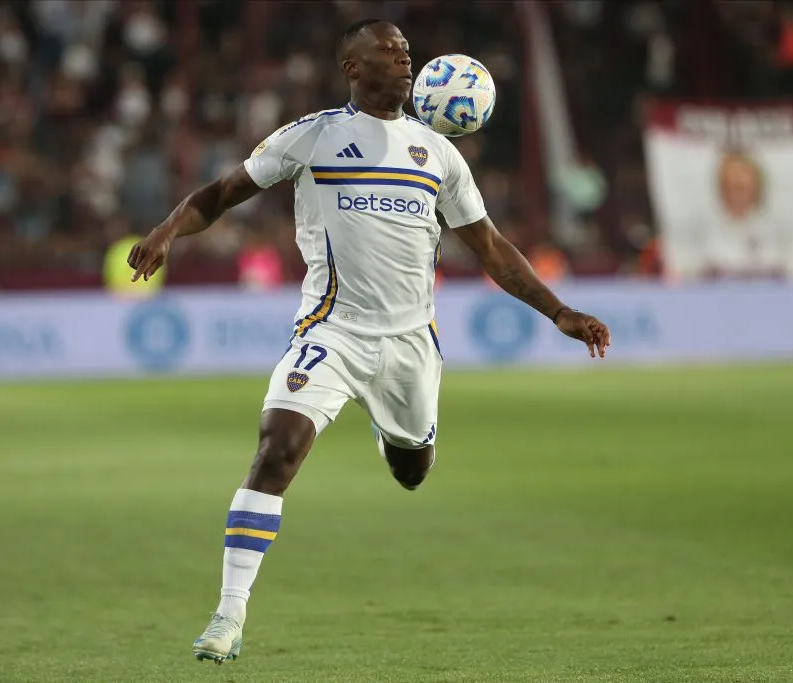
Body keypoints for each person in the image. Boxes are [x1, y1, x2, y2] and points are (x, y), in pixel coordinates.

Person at [127, 19, 612, 665]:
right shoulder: (314, 135)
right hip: (332, 333)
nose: (404, 58)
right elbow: (221, 193)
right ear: (352, 67)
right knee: (277, 447)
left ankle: (399, 435)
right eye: (387, 50)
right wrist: (165, 230)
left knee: (412, 469)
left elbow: (490, 246)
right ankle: (228, 613)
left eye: (407, 50)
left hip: (411, 342)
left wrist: (558, 310)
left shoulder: (438, 152)